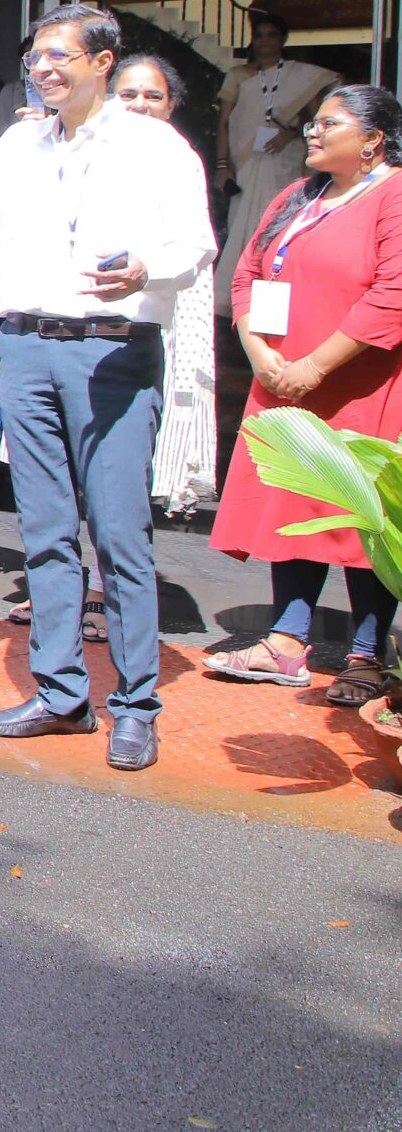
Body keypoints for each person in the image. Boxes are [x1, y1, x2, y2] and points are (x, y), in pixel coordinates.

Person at [0, 5, 214, 773]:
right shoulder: (19, 141)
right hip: (26, 348)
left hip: (111, 350)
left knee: (120, 533)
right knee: (46, 530)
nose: (43, 67)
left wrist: (145, 272)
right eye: (35, 54)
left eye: (60, 55)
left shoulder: (155, 143)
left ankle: (135, 705)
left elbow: (195, 244)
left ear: (103, 61)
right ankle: (61, 693)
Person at [204, 86, 402, 711]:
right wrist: (263, 358)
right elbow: (247, 274)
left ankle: (369, 655)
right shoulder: (298, 196)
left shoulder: (393, 196)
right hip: (285, 379)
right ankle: (287, 643)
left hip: (360, 383)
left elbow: (392, 293)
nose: (311, 132)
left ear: (372, 140)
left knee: (361, 518)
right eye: (313, 121)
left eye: (328, 123)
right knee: (292, 508)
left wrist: (315, 365)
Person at [114, 53, 219, 519]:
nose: (140, 104)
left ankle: (106, 577)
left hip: (160, 314)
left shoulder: (178, 157)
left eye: (153, 96)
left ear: (171, 105)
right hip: (90, 323)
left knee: (131, 456)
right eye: (128, 94)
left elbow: (193, 248)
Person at [216, 10, 340, 308]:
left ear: (283, 39)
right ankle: (239, 299)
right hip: (245, 161)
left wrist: (292, 133)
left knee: (279, 221)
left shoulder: (301, 77)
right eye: (259, 35)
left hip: (285, 158)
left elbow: (315, 119)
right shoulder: (238, 75)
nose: (265, 42)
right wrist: (222, 166)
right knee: (243, 225)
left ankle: (276, 293)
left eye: (271, 35)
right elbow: (223, 123)